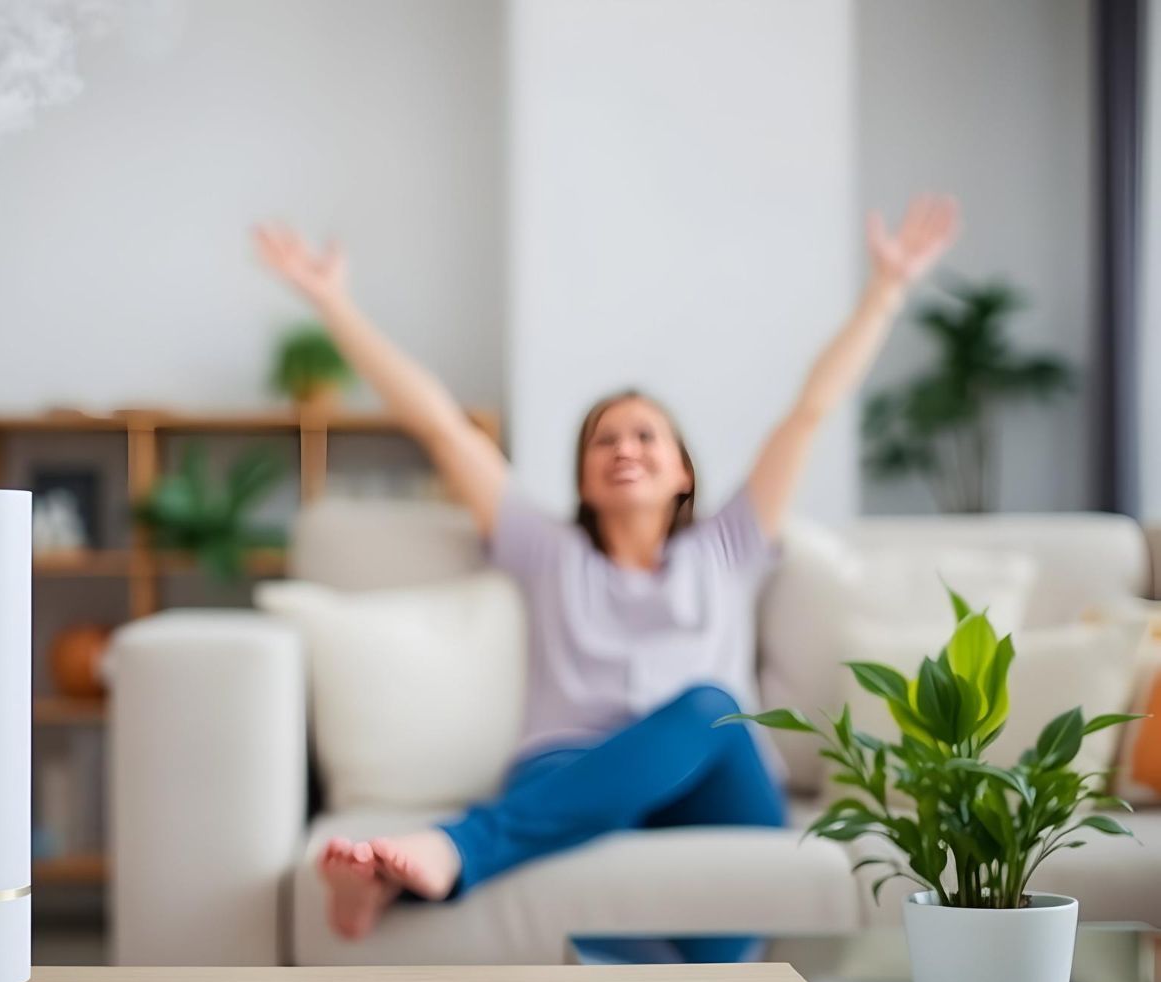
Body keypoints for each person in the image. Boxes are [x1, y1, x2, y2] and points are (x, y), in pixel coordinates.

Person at [253, 195, 960, 940]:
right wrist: (333, 303)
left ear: (684, 471)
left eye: (645, 437)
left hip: (715, 783)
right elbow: (437, 422)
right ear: (583, 479)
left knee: (709, 708)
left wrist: (886, 293)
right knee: (638, 955)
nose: (625, 450)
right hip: (569, 775)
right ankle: (411, 887)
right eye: (604, 441)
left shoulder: (730, 545)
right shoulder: (544, 547)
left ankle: (450, 852)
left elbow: (810, 410)